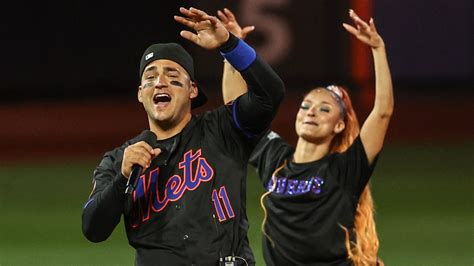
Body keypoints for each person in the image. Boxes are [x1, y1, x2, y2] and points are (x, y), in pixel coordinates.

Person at [81, 6, 285, 266]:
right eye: (150, 77)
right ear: (140, 93)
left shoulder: (224, 128)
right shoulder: (120, 160)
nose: (160, 82)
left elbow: (270, 93)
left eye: (172, 75)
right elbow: (93, 229)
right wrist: (121, 180)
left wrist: (229, 45)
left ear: (192, 90)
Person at [219, 8, 393, 265]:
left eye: (324, 110)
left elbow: (382, 113)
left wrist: (378, 49)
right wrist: (231, 48)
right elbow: (237, 108)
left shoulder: (344, 169)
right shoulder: (275, 157)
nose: (311, 113)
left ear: (338, 126)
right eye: (306, 106)